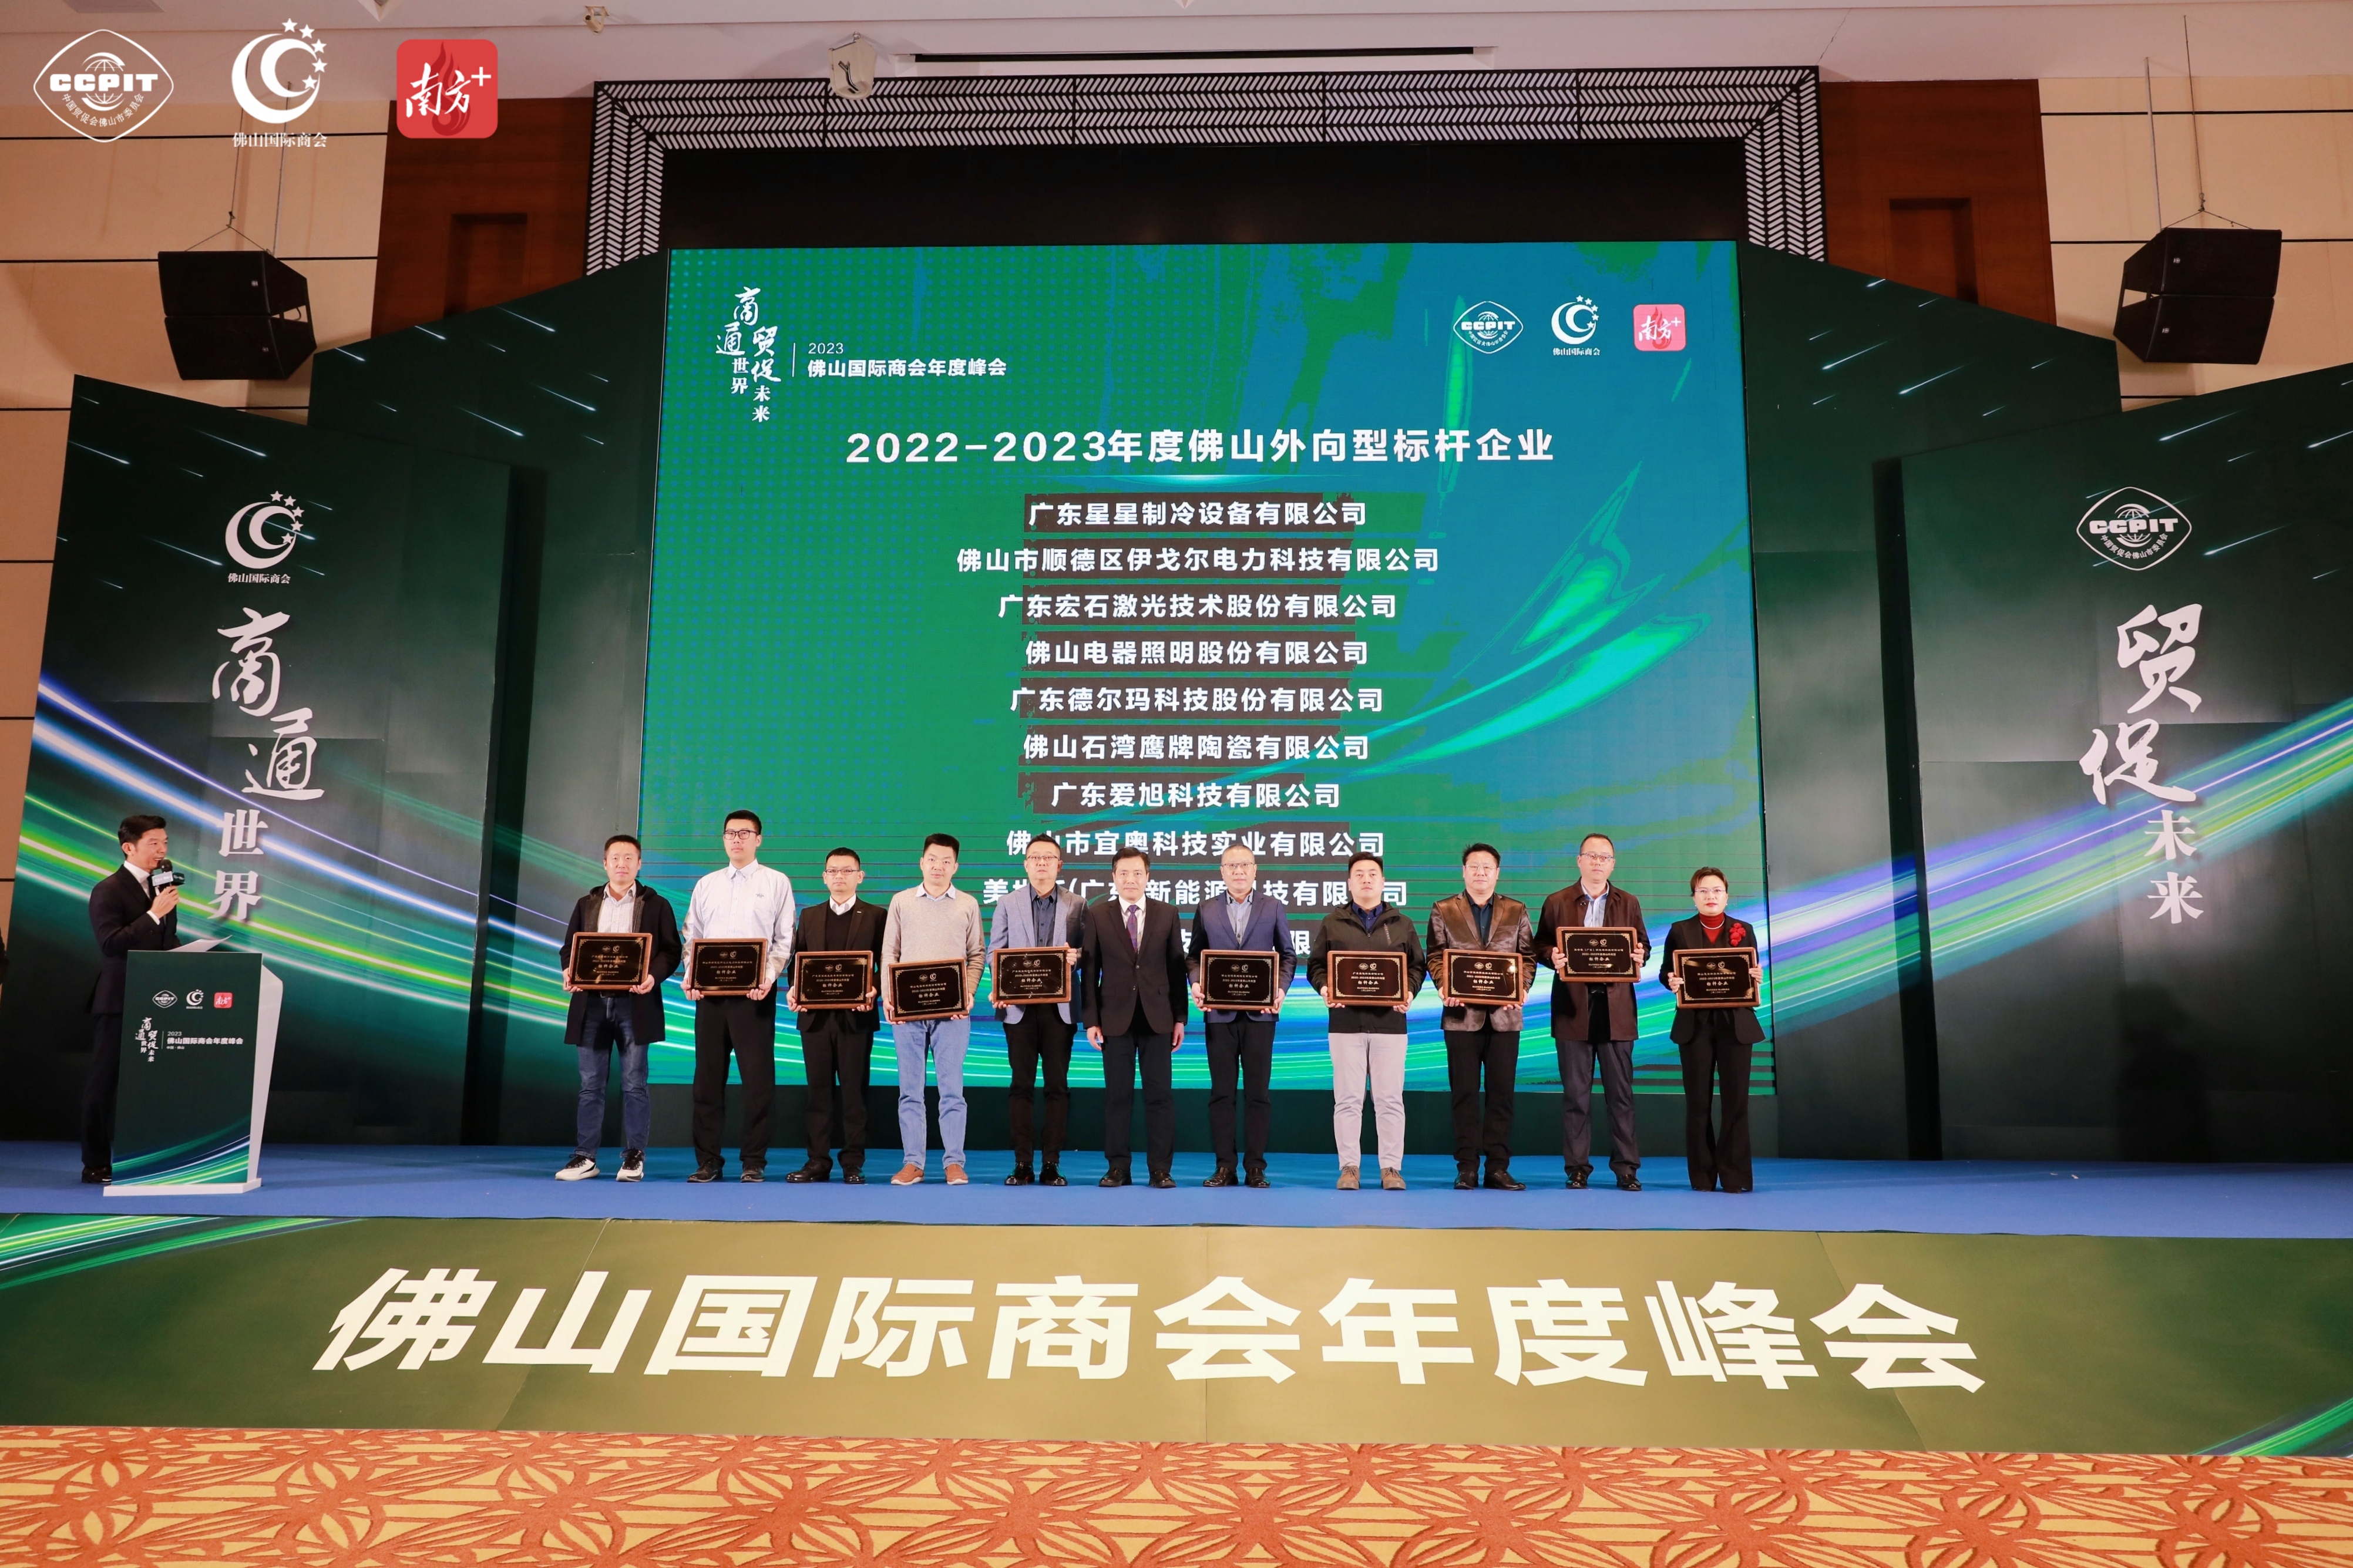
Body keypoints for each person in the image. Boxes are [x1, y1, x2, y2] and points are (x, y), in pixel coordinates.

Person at [555, 833, 682, 1183]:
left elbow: (671, 950)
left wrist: (652, 977)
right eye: (615, 858)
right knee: (590, 1085)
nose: (622, 864)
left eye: (629, 858)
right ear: (605, 863)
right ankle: (585, 1157)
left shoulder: (656, 905)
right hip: (591, 1005)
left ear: (640, 864)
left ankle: (634, 1157)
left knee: (634, 1084)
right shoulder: (587, 903)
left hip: (635, 1004)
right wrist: (569, 971)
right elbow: (569, 948)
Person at [681, 809, 795, 1183]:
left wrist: (768, 978)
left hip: (755, 995)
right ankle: (708, 1161)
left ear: (758, 839)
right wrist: (691, 975)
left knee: (758, 1082)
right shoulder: (707, 884)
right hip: (710, 998)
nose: (737, 839)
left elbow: (784, 940)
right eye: (731, 833)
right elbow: (692, 937)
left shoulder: (776, 882)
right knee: (707, 1081)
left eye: (745, 833)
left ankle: (754, 1161)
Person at [1307, 852, 1426, 1191]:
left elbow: (1417, 967)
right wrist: (1326, 989)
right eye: (1359, 874)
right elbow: (1316, 966)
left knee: (1390, 1100)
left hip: (1391, 1024)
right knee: (1348, 1100)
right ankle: (1349, 1168)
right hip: (1346, 1023)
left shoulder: (1402, 924)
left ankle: (1391, 1168)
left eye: (1373, 873)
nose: (1366, 879)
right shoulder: (1333, 922)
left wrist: (1409, 991)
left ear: (1383, 881)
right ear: (1349, 882)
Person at [1537, 833, 1649, 1191]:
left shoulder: (1628, 902)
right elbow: (1540, 944)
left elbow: (1643, 944)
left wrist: (1641, 954)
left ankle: (1626, 1168)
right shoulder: (1557, 901)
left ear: (1613, 864)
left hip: (1617, 1009)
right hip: (1573, 1009)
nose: (1598, 862)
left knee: (1621, 1096)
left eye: (1605, 857)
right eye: (1592, 856)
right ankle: (1577, 1168)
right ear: (1579, 861)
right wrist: (1551, 956)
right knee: (1576, 1096)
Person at [1425, 842, 1536, 1192]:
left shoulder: (1516, 910)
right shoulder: (1444, 909)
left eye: (1487, 867)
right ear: (1464, 871)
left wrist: (1521, 988)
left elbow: (1528, 957)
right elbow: (1435, 956)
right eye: (1474, 866)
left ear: (1497, 873)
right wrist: (1444, 986)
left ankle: (1498, 1168)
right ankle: (1467, 1168)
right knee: (1464, 1095)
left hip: (1505, 1018)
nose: (1481, 873)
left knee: (1502, 1095)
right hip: (1461, 1016)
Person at [1075, 846, 1189, 1187]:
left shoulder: (1167, 913)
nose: (1130, 879)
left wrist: (1180, 1018)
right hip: (1114, 1019)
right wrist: (1091, 1020)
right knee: (1117, 1096)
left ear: (1148, 876)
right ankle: (1118, 1168)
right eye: (1123, 873)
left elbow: (1176, 969)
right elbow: (1090, 972)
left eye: (1137, 873)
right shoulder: (1098, 915)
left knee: (1160, 1096)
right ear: (1113, 877)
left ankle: (1160, 1169)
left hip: (1158, 1018)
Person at [882, 833, 986, 1186]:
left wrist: (968, 993)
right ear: (921, 863)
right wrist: (889, 996)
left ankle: (954, 1161)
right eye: (932, 859)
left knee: (952, 1090)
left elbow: (977, 955)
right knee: (910, 1091)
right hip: (908, 1012)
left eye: (946, 861)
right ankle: (913, 1162)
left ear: (956, 866)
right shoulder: (901, 901)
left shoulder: (968, 904)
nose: (938, 866)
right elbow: (890, 953)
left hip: (952, 1014)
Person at [1188, 842, 1294, 1188]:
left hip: (1261, 1016)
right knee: (1222, 1093)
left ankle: (1256, 1167)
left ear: (1255, 869)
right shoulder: (1206, 909)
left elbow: (1288, 956)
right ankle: (1225, 1167)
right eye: (1231, 866)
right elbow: (1193, 957)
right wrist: (1197, 983)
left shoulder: (1273, 907)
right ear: (1222, 871)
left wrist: (1280, 991)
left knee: (1258, 1094)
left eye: (1244, 865)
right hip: (1219, 1015)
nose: (1238, 871)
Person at [83, 813, 180, 1184]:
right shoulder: (108, 890)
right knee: (104, 1084)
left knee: (152, 1083)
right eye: (154, 843)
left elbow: (166, 939)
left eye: (165, 843)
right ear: (129, 847)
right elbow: (110, 944)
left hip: (158, 998)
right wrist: (154, 914)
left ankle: (148, 1156)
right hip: (119, 1000)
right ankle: (95, 1163)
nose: (162, 850)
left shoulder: (161, 886)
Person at [988, 833, 1086, 1186]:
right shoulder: (1007, 903)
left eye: (1048, 858)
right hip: (1019, 1010)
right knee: (1021, 1085)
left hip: (1060, 1010)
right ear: (1025, 864)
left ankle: (1051, 1163)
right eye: (1035, 857)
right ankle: (1023, 1163)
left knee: (1057, 1086)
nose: (1041, 863)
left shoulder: (1077, 904)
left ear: (1060, 865)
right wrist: (1001, 986)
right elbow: (994, 952)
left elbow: (1089, 952)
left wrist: (1077, 957)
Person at [784, 847, 886, 1184]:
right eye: (833, 871)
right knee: (818, 1093)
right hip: (815, 1019)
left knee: (855, 1093)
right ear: (824, 877)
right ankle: (817, 1160)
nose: (839, 876)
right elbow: (798, 962)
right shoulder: (809, 916)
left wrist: (874, 990)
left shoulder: (876, 916)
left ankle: (853, 1162)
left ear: (860, 876)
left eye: (847, 871)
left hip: (856, 1017)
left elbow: (886, 963)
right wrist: (795, 990)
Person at [1660, 867, 1764, 1194]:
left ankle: (1735, 1176)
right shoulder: (1679, 930)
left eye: (1717, 890)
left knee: (1737, 1103)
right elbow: (1666, 972)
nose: (1710, 896)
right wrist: (1671, 981)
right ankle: (1703, 1177)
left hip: (1736, 1026)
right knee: (1698, 1104)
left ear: (1727, 896)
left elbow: (1750, 971)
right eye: (1703, 891)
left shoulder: (1744, 930)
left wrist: (1756, 976)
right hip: (1695, 1027)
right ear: (1694, 897)